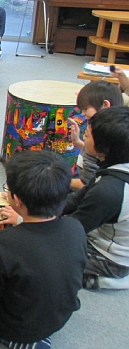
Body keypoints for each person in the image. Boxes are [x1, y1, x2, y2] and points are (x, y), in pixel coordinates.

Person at [0, 151, 86, 348]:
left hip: (14, 328)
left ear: (17, 200)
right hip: (59, 318)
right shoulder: (75, 228)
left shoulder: (1, 243)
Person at [62, 107, 129, 290]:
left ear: (104, 148)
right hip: (109, 234)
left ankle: (107, 280)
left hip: (112, 260)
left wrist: (27, 219)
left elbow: (73, 229)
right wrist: (36, 206)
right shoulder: (115, 166)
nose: (83, 135)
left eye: (88, 134)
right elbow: (77, 200)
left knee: (47, 258)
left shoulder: (108, 191)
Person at [68, 80, 123, 190]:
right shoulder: (113, 128)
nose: (83, 114)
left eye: (86, 109)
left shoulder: (101, 136)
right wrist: (77, 141)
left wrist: (57, 180)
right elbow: (92, 153)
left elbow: (86, 184)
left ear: (105, 105)